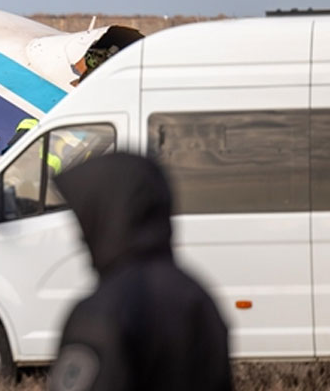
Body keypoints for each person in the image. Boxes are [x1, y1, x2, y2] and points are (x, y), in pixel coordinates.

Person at [48, 154, 231, 391]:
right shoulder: (198, 297)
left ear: (106, 215)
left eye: (86, 218)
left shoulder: (103, 310)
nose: (80, 235)